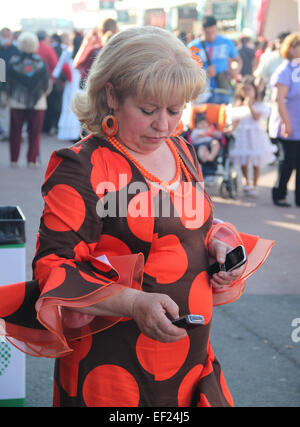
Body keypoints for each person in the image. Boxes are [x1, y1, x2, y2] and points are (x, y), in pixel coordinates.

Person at [0, 26, 274, 407]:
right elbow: (53, 269)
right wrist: (132, 303)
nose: (163, 124)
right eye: (147, 110)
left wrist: (218, 246)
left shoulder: (181, 148)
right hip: (111, 368)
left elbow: (196, 223)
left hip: (190, 361)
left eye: (175, 110)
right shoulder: (82, 166)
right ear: (111, 95)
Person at [6, 32, 51, 167]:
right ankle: (31, 160)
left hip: (16, 101)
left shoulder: (13, 62)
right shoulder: (40, 62)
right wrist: (41, 95)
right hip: (38, 103)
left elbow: (7, 83)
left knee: (15, 132)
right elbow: (47, 84)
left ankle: (14, 160)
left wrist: (7, 97)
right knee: (34, 133)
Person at [229, 75, 277, 197]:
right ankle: (246, 181)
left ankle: (254, 184)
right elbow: (236, 121)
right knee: (243, 160)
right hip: (243, 136)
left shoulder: (259, 105)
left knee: (256, 162)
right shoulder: (238, 105)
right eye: (244, 90)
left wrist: (249, 105)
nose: (247, 92)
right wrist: (230, 129)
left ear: (255, 90)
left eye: (249, 89)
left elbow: (256, 117)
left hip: (256, 137)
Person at [269, 33, 300, 207]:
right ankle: (279, 194)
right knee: (287, 161)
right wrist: (286, 123)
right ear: (292, 48)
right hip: (288, 124)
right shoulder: (284, 70)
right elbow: (278, 99)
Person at [188, 15, 242, 105]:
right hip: (202, 94)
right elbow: (187, 71)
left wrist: (235, 71)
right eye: (208, 33)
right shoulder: (193, 47)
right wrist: (204, 73)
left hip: (223, 90)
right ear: (202, 30)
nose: (211, 35)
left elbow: (237, 60)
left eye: (214, 31)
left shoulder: (226, 42)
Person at [52, 32, 83, 142]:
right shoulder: (85, 55)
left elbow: (56, 72)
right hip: (82, 85)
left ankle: (69, 132)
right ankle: (79, 133)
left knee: (68, 107)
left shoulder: (67, 54)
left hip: (70, 86)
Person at [0, 27, 19, 139]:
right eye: (4, 36)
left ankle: (16, 133)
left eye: (8, 36)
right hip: (2, 85)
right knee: (3, 110)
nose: (6, 38)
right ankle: (6, 133)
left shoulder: (16, 51)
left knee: (15, 111)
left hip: (15, 87)